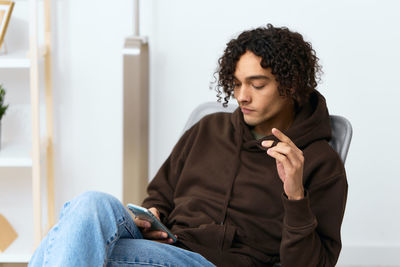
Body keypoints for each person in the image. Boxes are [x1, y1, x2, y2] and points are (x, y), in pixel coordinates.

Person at [29, 24, 347, 267]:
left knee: (75, 243)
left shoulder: (318, 161)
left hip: (214, 262)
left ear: (290, 84)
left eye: (257, 84)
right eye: (236, 84)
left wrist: (295, 195)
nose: (241, 96)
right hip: (168, 245)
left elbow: (313, 263)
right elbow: (159, 195)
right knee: (89, 205)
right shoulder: (209, 128)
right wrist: (153, 215)